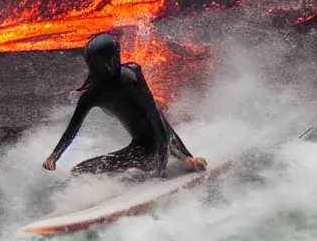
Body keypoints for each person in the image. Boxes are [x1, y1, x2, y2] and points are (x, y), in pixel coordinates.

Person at [42, 33, 207, 178]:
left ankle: (151, 174)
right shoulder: (92, 94)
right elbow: (72, 129)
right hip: (139, 150)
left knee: (81, 171)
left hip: (156, 151)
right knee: (80, 171)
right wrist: (54, 156)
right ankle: (101, 195)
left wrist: (184, 158)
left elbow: (157, 119)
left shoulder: (132, 77)